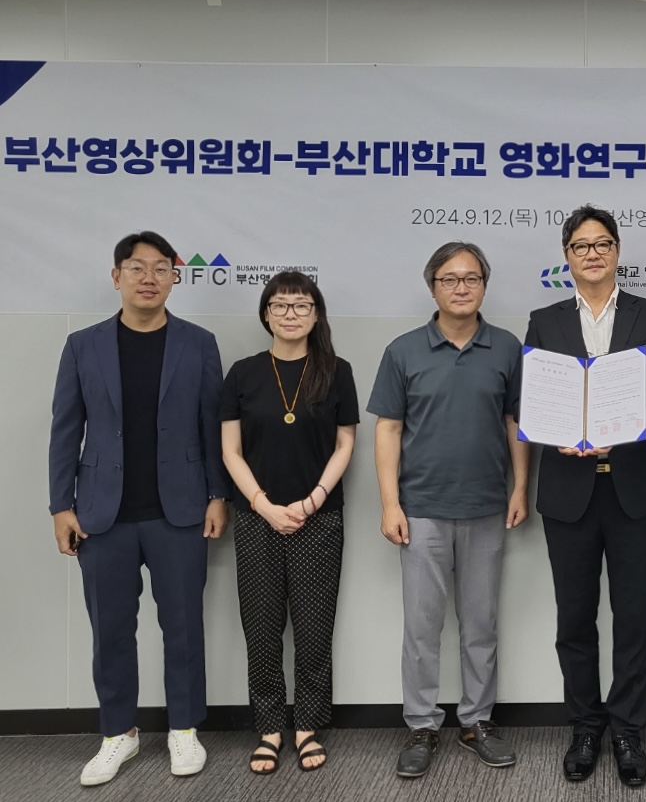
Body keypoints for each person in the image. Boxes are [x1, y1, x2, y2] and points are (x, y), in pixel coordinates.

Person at [49, 231, 228, 786]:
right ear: (116, 277)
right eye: (136, 268)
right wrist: (60, 505)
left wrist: (217, 494)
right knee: (110, 630)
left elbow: (213, 425)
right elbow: (65, 429)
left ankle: (183, 729)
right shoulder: (83, 346)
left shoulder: (199, 343)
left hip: (181, 510)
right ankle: (118, 734)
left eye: (160, 269)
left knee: (183, 627)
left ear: (175, 278)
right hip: (102, 514)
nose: (148, 278)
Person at [524, 205, 646, 787]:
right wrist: (556, 431)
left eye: (601, 244)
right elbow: (530, 400)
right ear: (566, 256)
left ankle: (627, 729)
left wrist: (621, 425)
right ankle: (585, 725)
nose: (591, 254)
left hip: (633, 489)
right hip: (567, 490)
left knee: (633, 616)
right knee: (574, 617)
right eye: (580, 246)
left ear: (617, 251)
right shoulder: (544, 321)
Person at [367, 242, 528, 778]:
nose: (462, 287)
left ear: (485, 284)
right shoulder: (404, 351)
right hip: (421, 511)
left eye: (472, 278)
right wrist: (390, 503)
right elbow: (388, 429)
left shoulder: (507, 348)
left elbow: (515, 423)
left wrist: (520, 488)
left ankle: (477, 720)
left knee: (480, 624)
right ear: (432, 286)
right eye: (450, 279)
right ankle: (421, 724)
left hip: (486, 506)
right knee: (422, 627)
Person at [220, 271, 358, 774]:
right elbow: (230, 450)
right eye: (279, 305)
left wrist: (313, 499)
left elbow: (345, 443)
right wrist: (263, 505)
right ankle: (270, 728)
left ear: (316, 315)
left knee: (314, 627)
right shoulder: (243, 373)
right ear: (266, 314)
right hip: (256, 518)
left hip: (318, 517)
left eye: (301, 305)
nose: (290, 314)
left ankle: (307, 726)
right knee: (260, 626)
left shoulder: (336, 371)